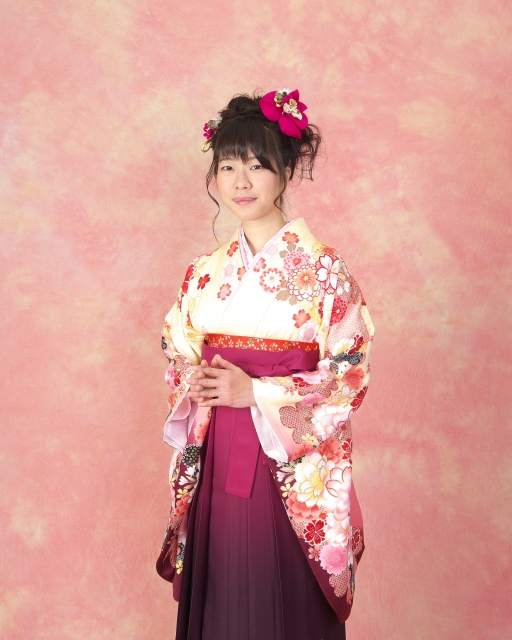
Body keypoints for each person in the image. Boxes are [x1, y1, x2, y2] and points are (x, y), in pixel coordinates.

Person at [156, 88, 376, 640]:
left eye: (257, 166)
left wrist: (254, 392)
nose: (241, 182)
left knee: (284, 592)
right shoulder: (204, 272)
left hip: (285, 456)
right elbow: (178, 349)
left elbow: (349, 370)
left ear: (286, 170)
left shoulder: (324, 271)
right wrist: (198, 381)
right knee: (224, 587)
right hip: (218, 445)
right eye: (228, 166)